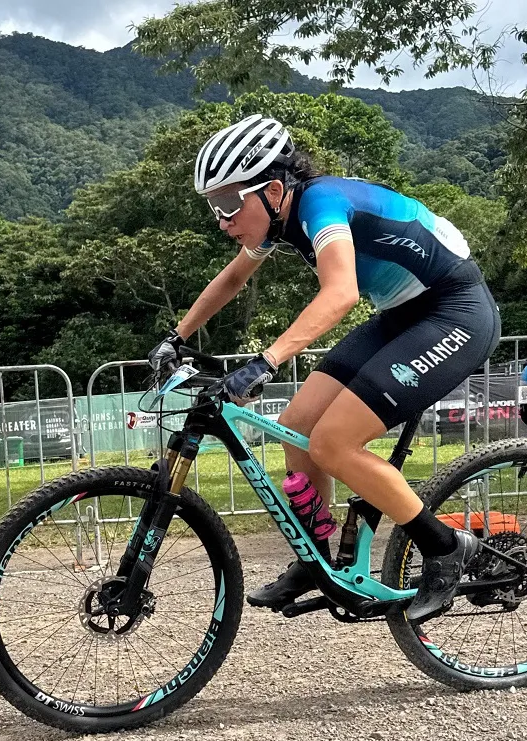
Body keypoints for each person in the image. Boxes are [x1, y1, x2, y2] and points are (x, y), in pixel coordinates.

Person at [147, 114, 501, 622]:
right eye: (213, 206)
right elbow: (232, 279)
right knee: (296, 427)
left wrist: (267, 361)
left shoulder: (321, 204)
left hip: (455, 311)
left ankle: (446, 548)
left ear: (272, 190)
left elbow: (341, 293)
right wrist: (175, 337)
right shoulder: (280, 218)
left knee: (333, 444)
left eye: (227, 203)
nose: (222, 220)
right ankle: (316, 561)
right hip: (403, 315)